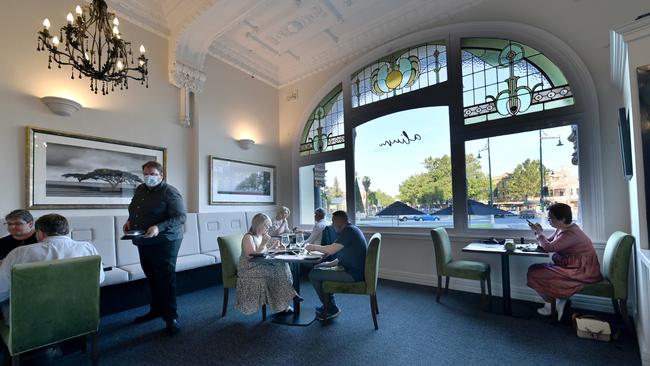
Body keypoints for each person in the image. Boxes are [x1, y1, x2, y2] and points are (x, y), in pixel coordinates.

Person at [0, 213, 105, 320]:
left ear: (40, 233)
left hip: (32, 317)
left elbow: (2, 289)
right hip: (77, 310)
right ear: (66, 231)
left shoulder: (19, 253)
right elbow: (99, 279)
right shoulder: (87, 248)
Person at [123, 161, 186, 335]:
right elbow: (134, 209)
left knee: (165, 278)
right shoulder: (141, 190)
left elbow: (180, 217)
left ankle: (171, 317)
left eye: (152, 174)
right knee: (151, 276)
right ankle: (155, 310)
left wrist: (159, 227)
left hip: (166, 241)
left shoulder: (170, 192)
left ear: (161, 175)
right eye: (146, 174)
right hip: (144, 240)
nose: (148, 177)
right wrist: (129, 221)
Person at [526, 203, 602, 321]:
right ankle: (557, 301)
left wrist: (539, 234)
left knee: (535, 272)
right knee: (535, 269)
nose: (549, 220)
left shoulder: (571, 233)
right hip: (571, 266)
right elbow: (548, 242)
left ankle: (552, 304)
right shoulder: (562, 229)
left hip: (581, 270)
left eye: (551, 218)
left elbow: (549, 248)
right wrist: (538, 232)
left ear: (562, 219)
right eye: (548, 218)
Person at [306, 210, 367, 320]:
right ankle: (329, 305)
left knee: (313, 274)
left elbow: (331, 250)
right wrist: (326, 265)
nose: (332, 224)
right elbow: (342, 256)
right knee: (318, 270)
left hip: (353, 274)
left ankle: (331, 308)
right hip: (353, 270)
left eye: (333, 221)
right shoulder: (351, 230)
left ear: (339, 221)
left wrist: (313, 247)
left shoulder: (349, 232)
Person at [235, 213, 298, 315]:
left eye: (269, 226)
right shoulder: (249, 237)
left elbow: (263, 252)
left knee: (282, 265)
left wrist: (274, 248)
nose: (268, 228)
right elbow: (251, 255)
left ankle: (284, 303)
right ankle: (288, 298)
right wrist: (265, 244)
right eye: (266, 225)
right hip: (248, 268)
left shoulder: (261, 236)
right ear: (258, 225)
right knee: (277, 272)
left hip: (259, 264)